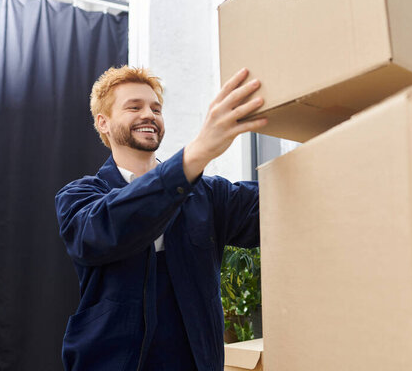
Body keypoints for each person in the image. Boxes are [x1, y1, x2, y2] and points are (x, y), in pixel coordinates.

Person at [54, 65, 267, 371]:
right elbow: (105, 230)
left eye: (156, 108)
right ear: (103, 122)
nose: (149, 115)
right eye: (134, 107)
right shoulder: (80, 196)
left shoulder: (207, 194)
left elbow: (277, 208)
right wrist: (194, 155)